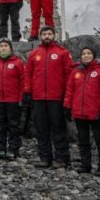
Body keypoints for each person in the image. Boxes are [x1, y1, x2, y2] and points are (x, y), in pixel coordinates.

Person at [24, 26, 73, 168]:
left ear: (54, 35)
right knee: (42, 129)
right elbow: (28, 74)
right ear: (40, 36)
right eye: (44, 34)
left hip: (56, 97)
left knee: (58, 128)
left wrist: (67, 96)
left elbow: (69, 75)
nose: (47, 36)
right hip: (39, 97)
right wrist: (28, 91)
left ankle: (62, 158)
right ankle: (45, 157)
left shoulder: (62, 53)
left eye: (49, 34)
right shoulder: (34, 54)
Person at [63, 47, 100, 177]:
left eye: (89, 53)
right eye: (84, 53)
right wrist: (67, 107)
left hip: (96, 112)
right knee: (83, 140)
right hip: (79, 112)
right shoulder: (76, 72)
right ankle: (86, 165)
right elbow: (69, 91)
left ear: (94, 55)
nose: (86, 55)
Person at [0, 39, 26, 160]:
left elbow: (23, 81)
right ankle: (1, 149)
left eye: (6, 46)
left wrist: (21, 98)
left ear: (10, 48)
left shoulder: (17, 62)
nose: (3, 48)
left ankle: (14, 149)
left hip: (12, 100)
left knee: (13, 126)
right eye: (1, 46)